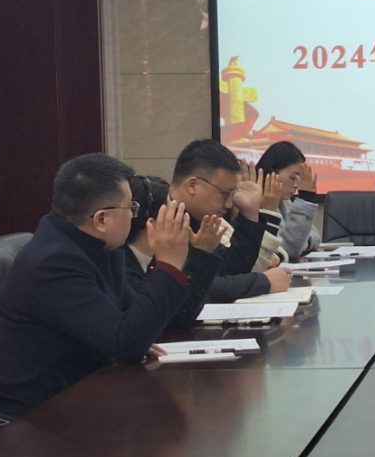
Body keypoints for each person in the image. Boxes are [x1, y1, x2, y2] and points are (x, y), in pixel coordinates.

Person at [0, 154, 199, 417]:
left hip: (68, 397)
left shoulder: (94, 247)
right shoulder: (54, 263)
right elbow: (127, 344)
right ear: (101, 219)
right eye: (130, 208)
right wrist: (169, 265)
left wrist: (137, 334)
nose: (135, 216)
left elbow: (131, 322)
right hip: (19, 418)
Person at [167, 140, 291, 302]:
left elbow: (230, 271)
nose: (229, 204)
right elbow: (192, 287)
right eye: (225, 194)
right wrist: (263, 282)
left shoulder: (194, 218)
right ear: (192, 185)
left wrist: (250, 214)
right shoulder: (154, 211)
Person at [124, 175, 226, 328]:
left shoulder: (153, 258)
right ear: (152, 224)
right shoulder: (123, 268)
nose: (181, 220)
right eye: (173, 213)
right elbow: (174, 318)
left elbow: (194, 306)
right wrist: (200, 256)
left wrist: (199, 255)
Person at [255, 141, 321, 262]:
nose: (296, 185)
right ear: (272, 173)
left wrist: (305, 242)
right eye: (293, 177)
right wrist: (305, 200)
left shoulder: (284, 201)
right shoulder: (256, 202)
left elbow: (315, 234)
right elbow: (289, 249)